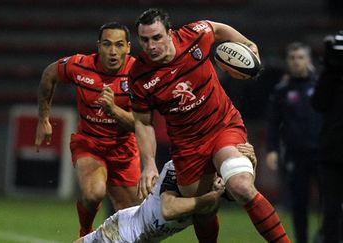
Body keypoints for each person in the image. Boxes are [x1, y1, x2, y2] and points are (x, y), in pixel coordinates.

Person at [128, 8, 290, 242]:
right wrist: (149, 164)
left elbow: (217, 28)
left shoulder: (193, 36)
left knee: (241, 187)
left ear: (169, 33)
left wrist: (246, 43)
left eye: (157, 38)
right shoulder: (139, 76)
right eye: (144, 40)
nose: (151, 46)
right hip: (187, 146)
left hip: (222, 126)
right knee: (204, 207)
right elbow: (143, 122)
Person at [34, 22, 141, 237]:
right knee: (94, 194)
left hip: (124, 148)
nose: (113, 51)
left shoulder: (139, 73)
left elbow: (140, 125)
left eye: (119, 45)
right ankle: (86, 232)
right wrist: (44, 119)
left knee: (132, 217)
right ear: (98, 46)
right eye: (107, 44)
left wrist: (112, 110)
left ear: (128, 47)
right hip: (89, 143)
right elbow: (49, 74)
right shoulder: (80, 65)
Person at [74, 143, 257, 243]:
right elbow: (169, 210)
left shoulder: (216, 180)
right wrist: (208, 198)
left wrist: (249, 165)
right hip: (123, 234)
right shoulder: (178, 167)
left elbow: (240, 195)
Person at [265, 42, 322, 243]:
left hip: (322, 153)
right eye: (292, 58)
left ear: (308, 60)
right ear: (287, 61)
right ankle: (302, 240)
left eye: (300, 57)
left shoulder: (321, 85)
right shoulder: (282, 90)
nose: (296, 62)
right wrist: (271, 149)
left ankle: (327, 235)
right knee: (298, 204)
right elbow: (273, 122)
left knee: (330, 202)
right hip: (295, 154)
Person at [311, 31, 343, 243]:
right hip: (331, 153)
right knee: (330, 209)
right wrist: (329, 70)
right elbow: (318, 103)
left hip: (330, 150)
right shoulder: (330, 76)